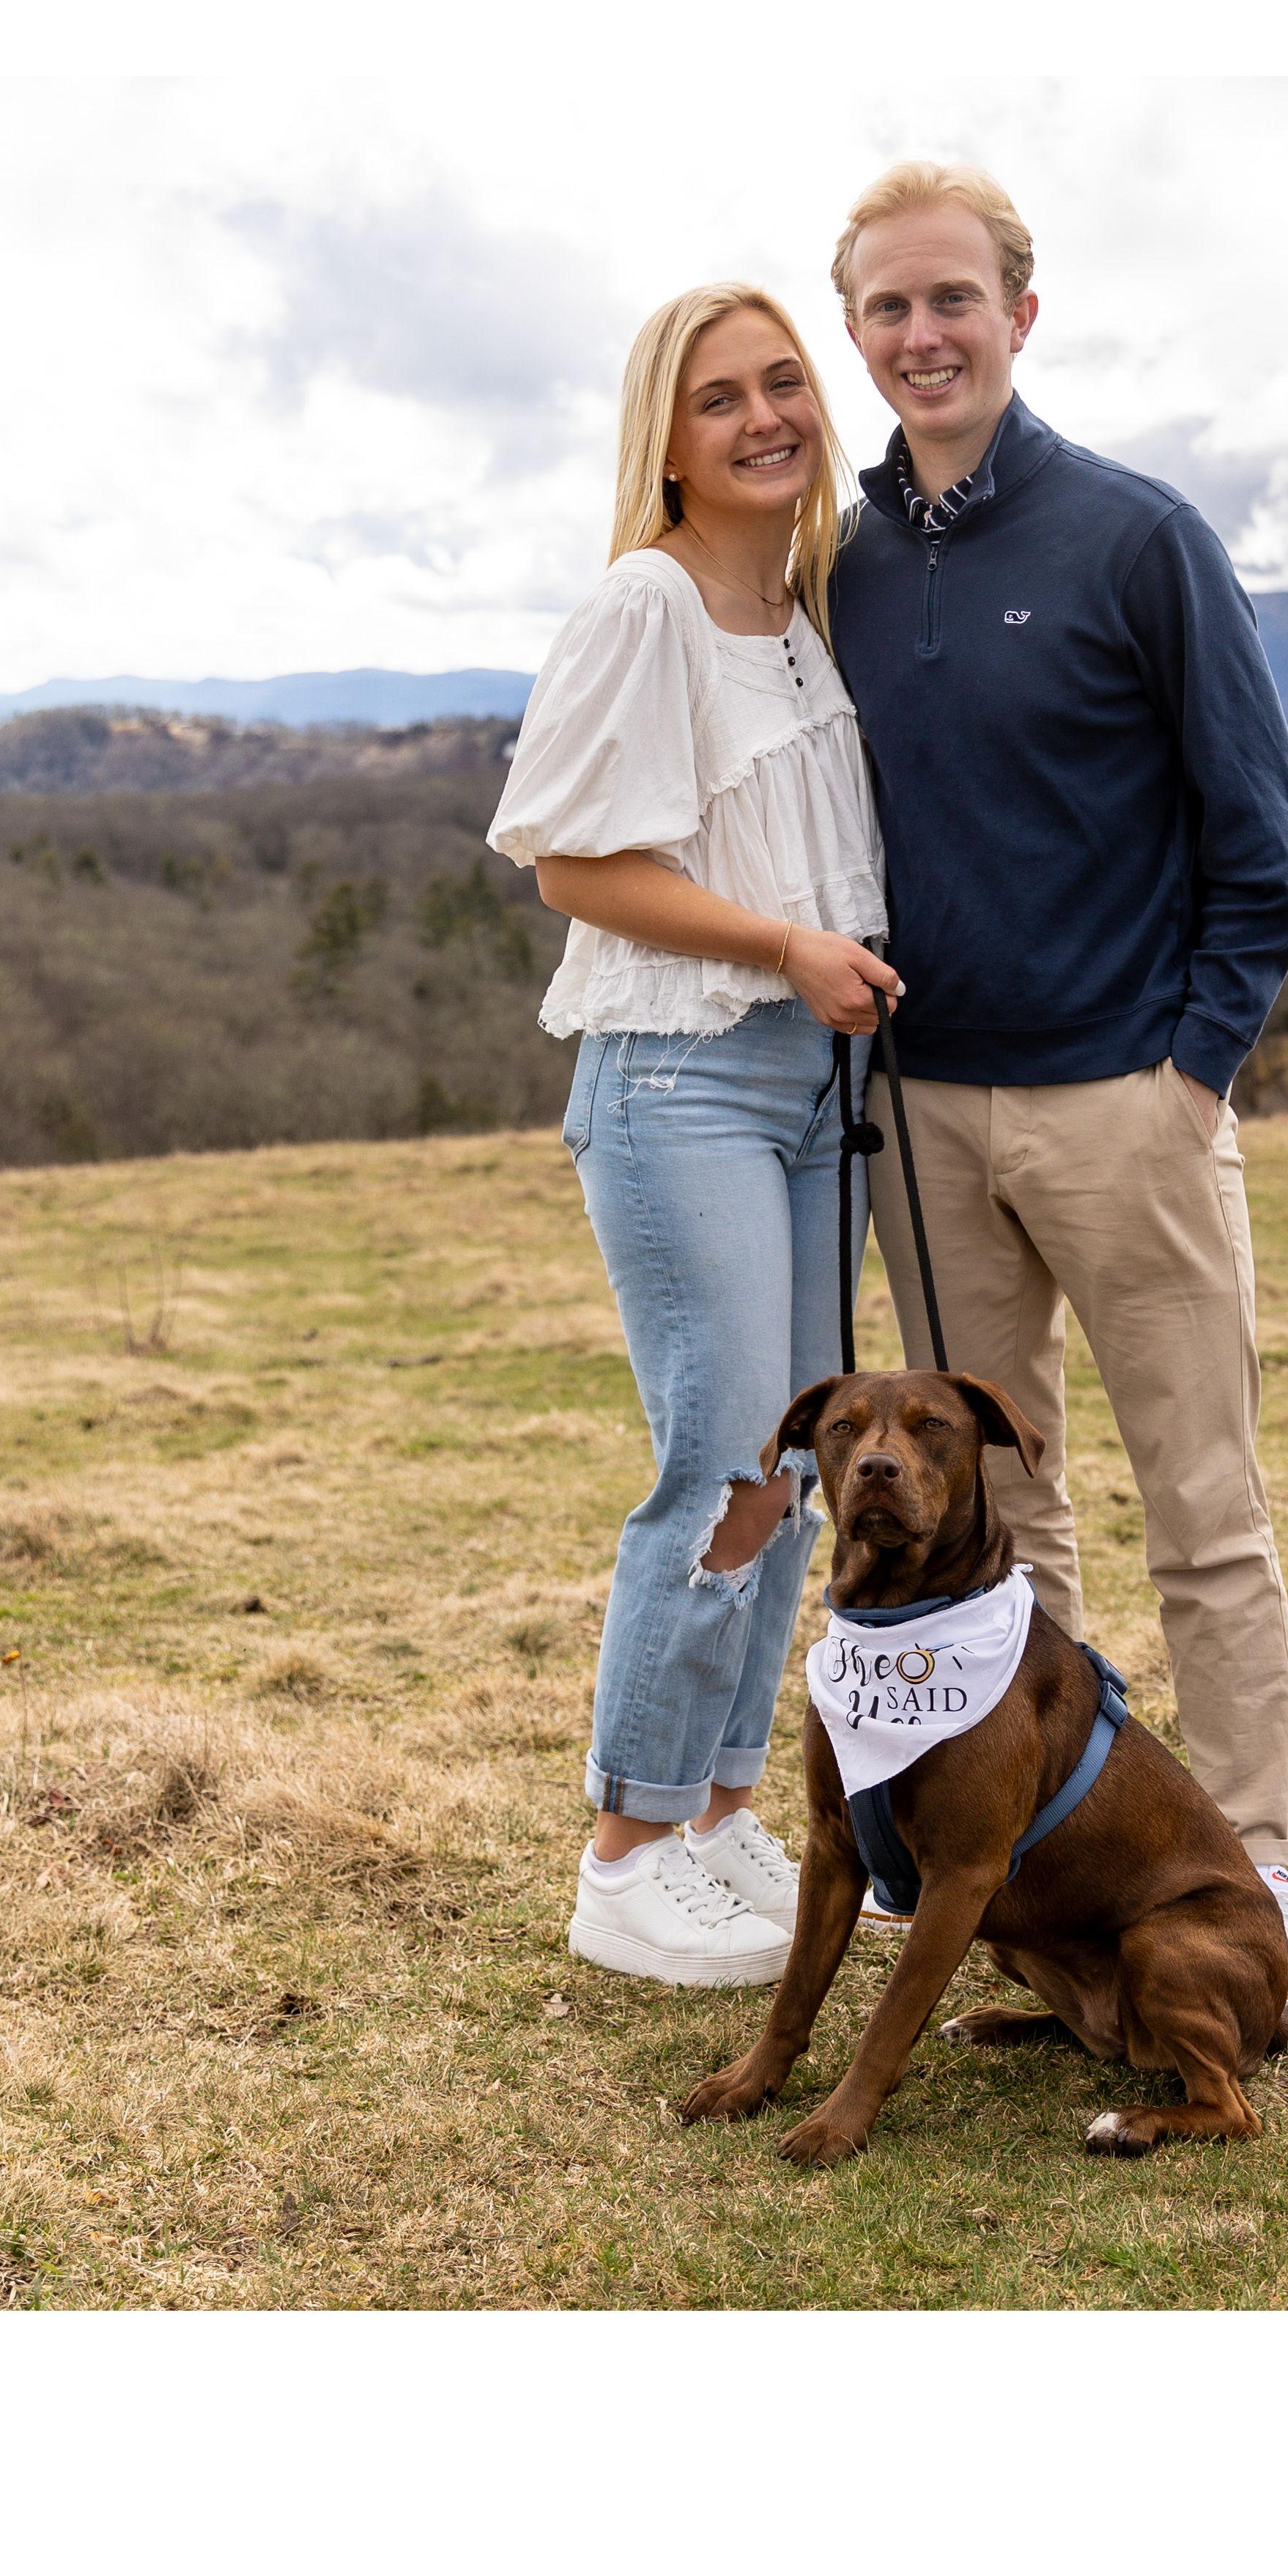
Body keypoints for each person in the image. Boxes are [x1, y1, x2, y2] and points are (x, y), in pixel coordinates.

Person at [823, 163, 1288, 1990]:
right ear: (856, 330)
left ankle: (1254, 1885)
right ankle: (1042, 1885)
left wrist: (1194, 1072)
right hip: (922, 1119)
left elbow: (1259, 832)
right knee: (997, 1525)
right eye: (887, 307)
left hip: (1127, 1100)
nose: (923, 335)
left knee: (1204, 1510)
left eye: (952, 299)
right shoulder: (836, 562)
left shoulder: (1138, 538)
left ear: (1019, 315)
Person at [488, 283, 900, 1988]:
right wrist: (786, 945)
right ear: (664, 438)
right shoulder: (644, 605)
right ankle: (624, 1857)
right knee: (722, 1463)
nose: (762, 418)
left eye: (783, 383)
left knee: (797, 1466)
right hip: (682, 1076)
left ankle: (719, 1813)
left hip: (812, 1083)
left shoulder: (804, 607)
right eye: (718, 397)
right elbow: (572, 866)